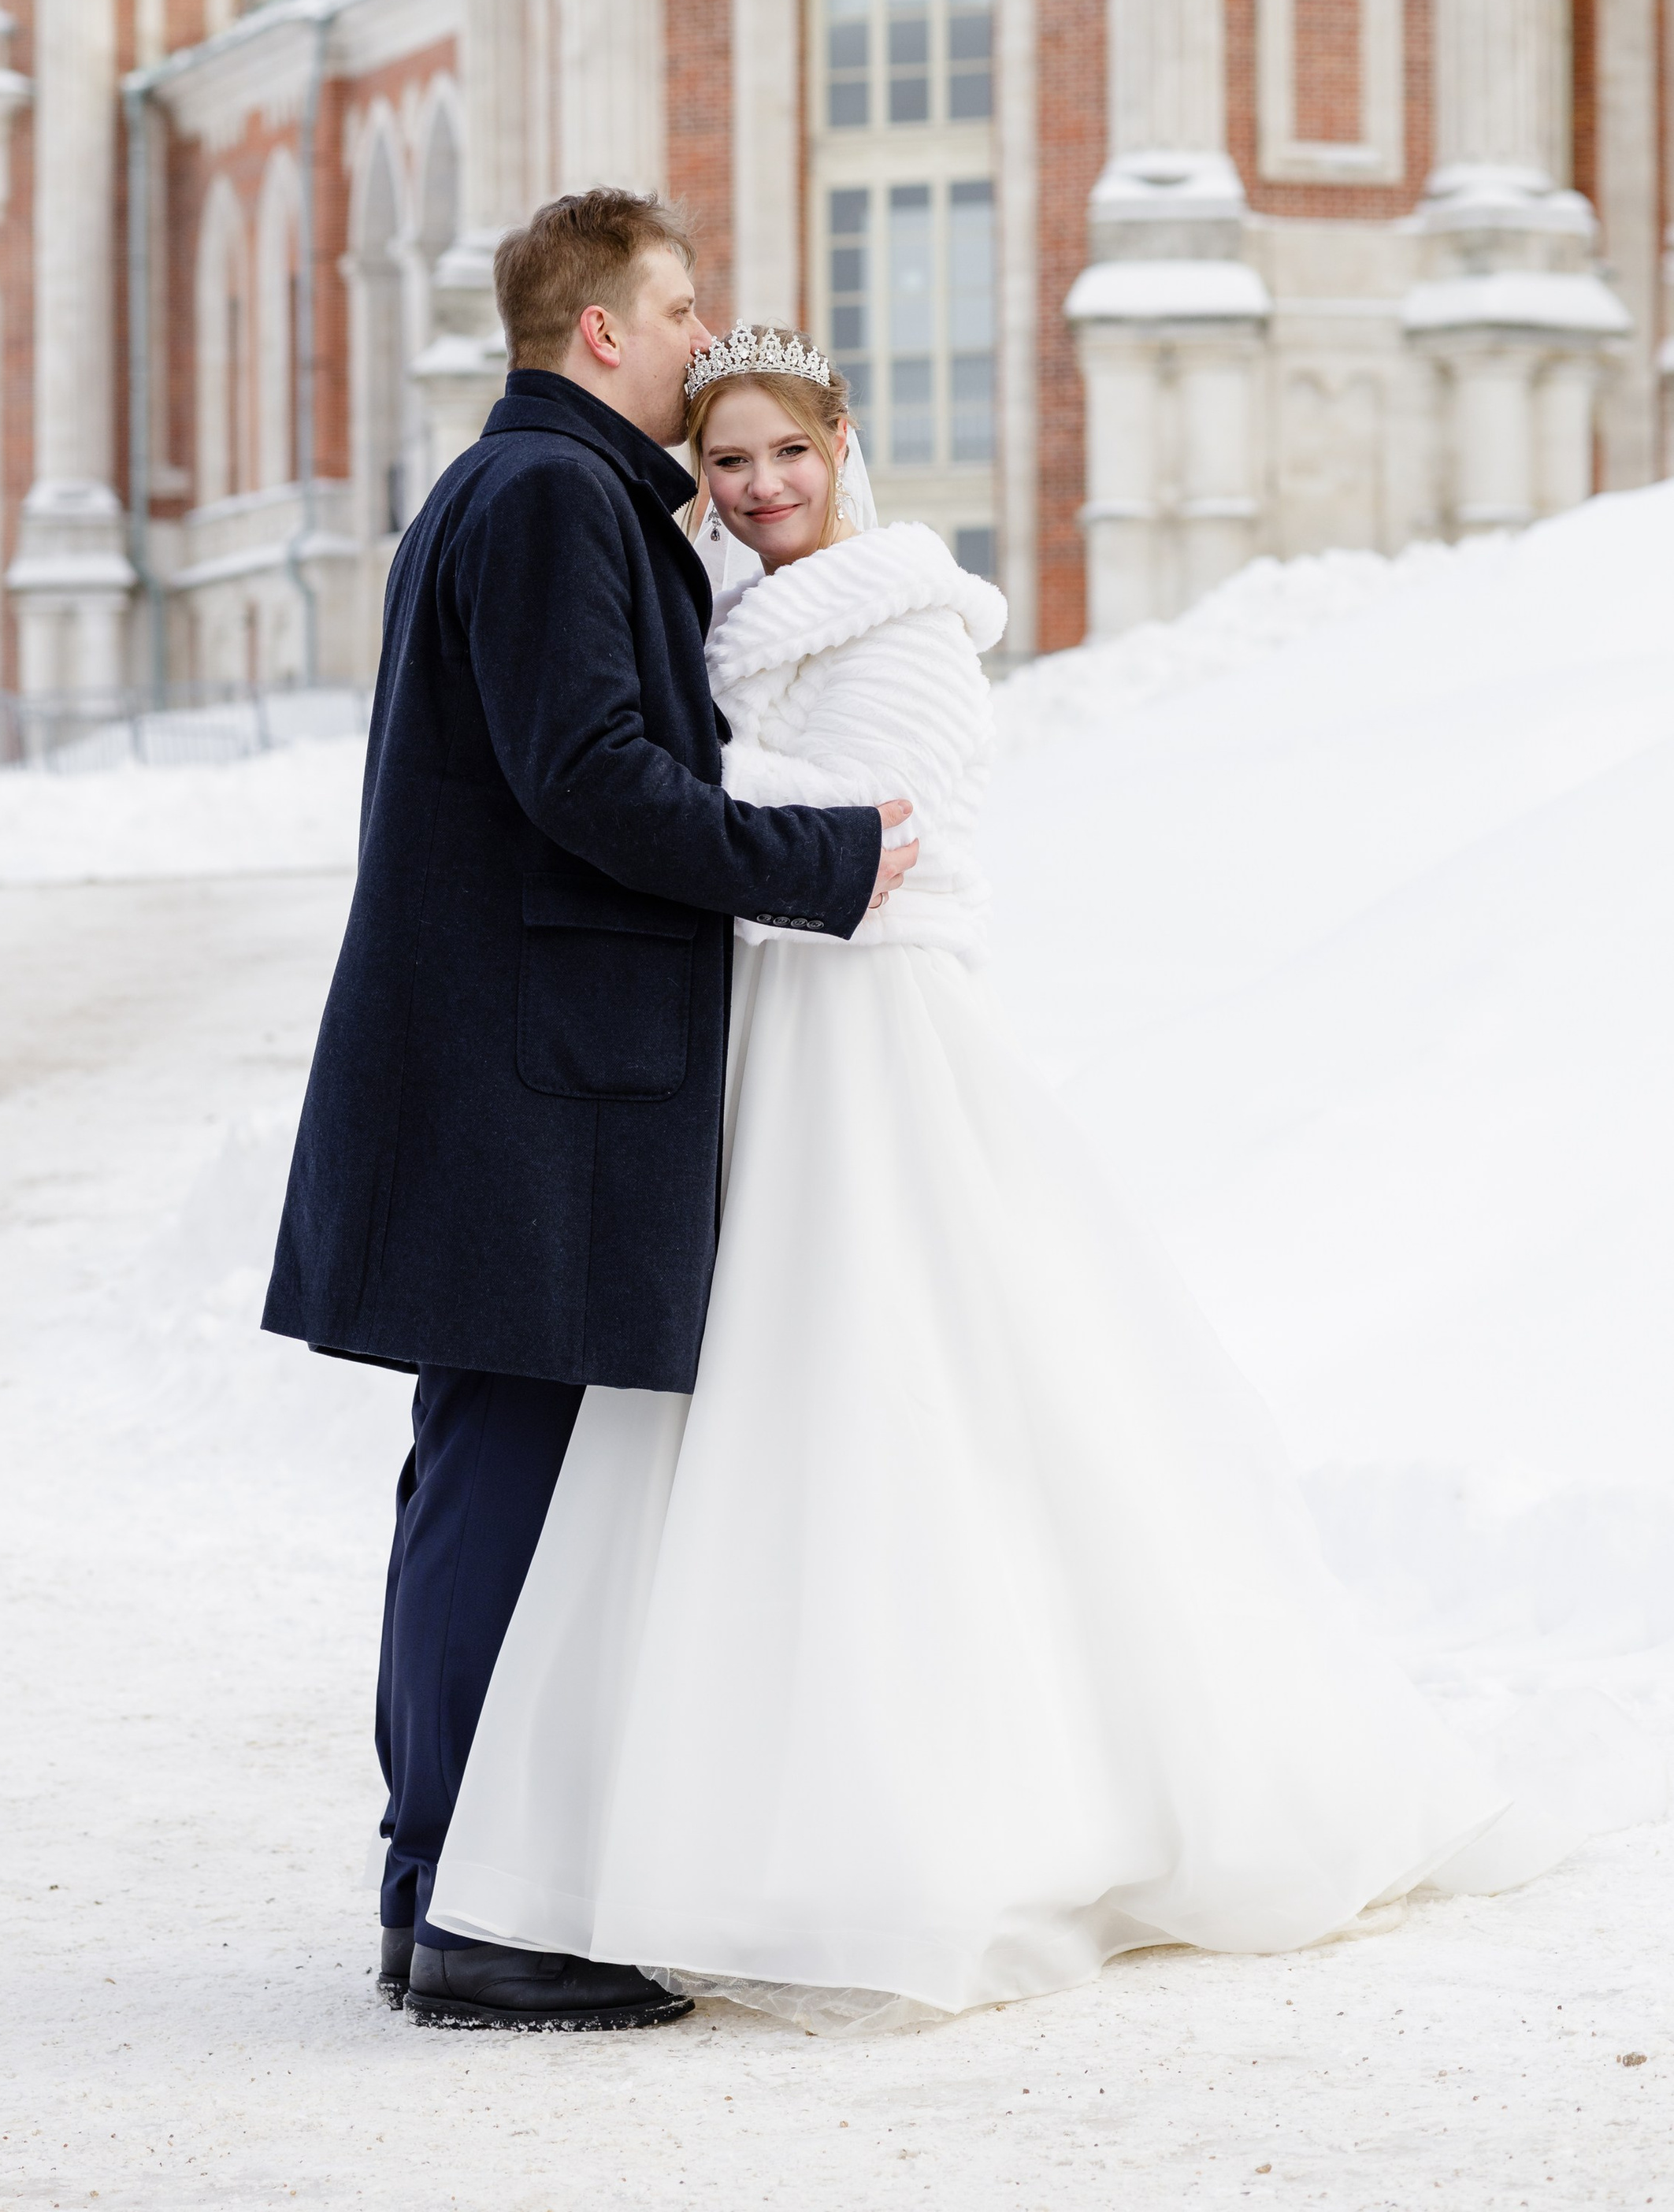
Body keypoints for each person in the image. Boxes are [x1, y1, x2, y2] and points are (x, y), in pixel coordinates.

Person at [424, 325, 1508, 2029]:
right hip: (746, 1026)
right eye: (726, 462)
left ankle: (954, 1814)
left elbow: (906, 827)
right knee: (724, 1439)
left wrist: (672, 785)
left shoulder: (908, 614)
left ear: (842, 445)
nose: (760, 486)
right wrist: (681, 794)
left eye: (787, 451)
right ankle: (704, 1826)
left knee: (891, 1397)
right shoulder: (709, 618)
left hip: (860, 1033)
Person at [262, 202, 920, 2033]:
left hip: (508, 1067)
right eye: (679, 307)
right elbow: (593, 781)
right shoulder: (552, 497)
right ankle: (469, 1904)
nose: (701, 331)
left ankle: (440, 1884)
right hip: (532, 1079)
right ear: (604, 334)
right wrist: (829, 856)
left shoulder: (521, 488)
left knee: (484, 1471)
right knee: (504, 1485)